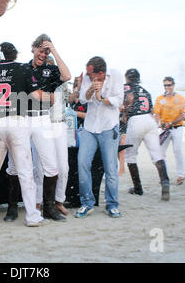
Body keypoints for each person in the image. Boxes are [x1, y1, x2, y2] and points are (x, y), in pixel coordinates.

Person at [0, 42, 44, 227]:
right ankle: (32, 216)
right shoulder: (24, 69)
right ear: (15, 54)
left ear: (0, 55)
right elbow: (37, 96)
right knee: (25, 173)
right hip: (16, 122)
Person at [23, 34, 71, 221]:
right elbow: (32, 94)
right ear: (33, 48)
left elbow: (66, 76)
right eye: (41, 49)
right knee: (32, 167)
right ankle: (33, 204)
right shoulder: (24, 68)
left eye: (46, 51)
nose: (43, 54)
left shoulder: (50, 70)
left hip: (47, 121)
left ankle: (52, 204)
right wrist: (42, 94)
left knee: (56, 167)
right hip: (27, 119)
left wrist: (55, 50)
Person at [75, 56, 123, 219]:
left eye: (91, 75)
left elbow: (119, 100)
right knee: (82, 163)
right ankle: (87, 202)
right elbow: (82, 99)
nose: (88, 77)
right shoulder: (89, 78)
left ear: (100, 73)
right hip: (89, 127)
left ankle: (112, 204)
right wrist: (89, 90)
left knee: (110, 168)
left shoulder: (116, 75)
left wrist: (101, 96)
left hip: (109, 127)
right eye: (88, 74)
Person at [122, 68, 170, 201]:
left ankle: (138, 188)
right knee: (157, 154)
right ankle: (165, 182)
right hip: (149, 120)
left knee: (130, 156)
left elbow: (124, 103)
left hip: (135, 120)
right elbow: (151, 110)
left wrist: (124, 113)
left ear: (127, 78)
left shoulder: (124, 87)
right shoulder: (146, 91)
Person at [153, 76, 185, 185]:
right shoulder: (159, 99)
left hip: (177, 127)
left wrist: (171, 123)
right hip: (165, 129)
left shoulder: (180, 98)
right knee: (160, 153)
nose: (167, 87)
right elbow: (156, 113)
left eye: (169, 85)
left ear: (173, 85)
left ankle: (181, 175)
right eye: (165, 85)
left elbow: (183, 115)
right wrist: (159, 123)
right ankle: (164, 176)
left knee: (177, 150)